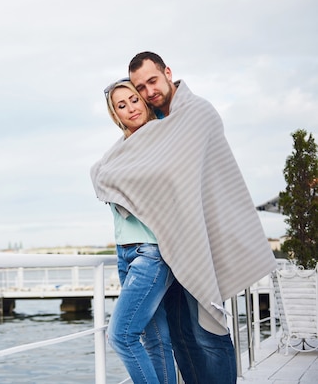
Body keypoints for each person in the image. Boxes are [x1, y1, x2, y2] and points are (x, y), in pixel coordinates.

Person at [91, 51, 277, 384]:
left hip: (185, 241)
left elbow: (191, 180)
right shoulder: (147, 132)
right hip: (158, 244)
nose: (147, 94)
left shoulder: (193, 114)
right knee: (173, 336)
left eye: (151, 82)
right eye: (138, 89)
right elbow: (112, 175)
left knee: (204, 331)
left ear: (167, 72)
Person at [102, 78, 176, 384]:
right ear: (116, 115)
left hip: (152, 252)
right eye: (122, 105)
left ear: (144, 100)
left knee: (121, 335)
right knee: (156, 341)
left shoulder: (161, 137)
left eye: (134, 99)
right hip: (126, 252)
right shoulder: (118, 152)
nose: (131, 108)